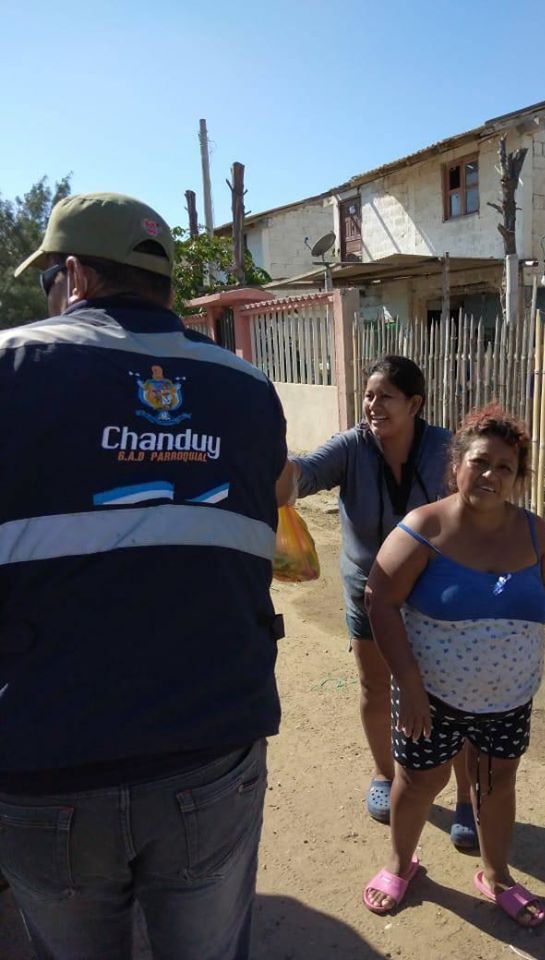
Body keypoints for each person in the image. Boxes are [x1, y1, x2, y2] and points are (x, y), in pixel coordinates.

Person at [0, 192, 294, 960]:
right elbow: (274, 506)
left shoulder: (10, 366)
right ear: (164, 284)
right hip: (210, 748)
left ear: (74, 275)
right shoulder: (249, 387)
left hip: (42, 758)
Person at [362, 404, 545, 925]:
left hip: (508, 700)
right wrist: (408, 684)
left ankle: (497, 876)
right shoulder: (424, 529)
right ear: (457, 464)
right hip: (430, 697)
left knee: (496, 785)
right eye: (480, 462)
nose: (490, 475)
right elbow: (379, 599)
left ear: (518, 478)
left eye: (505, 467)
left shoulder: (535, 535)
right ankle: (400, 864)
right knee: (419, 781)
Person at [292, 356, 476, 846]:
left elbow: (479, 500)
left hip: (437, 597)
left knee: (452, 700)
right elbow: (303, 475)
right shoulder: (352, 447)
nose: (373, 405)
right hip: (369, 593)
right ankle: (384, 774)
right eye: (369, 395)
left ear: (415, 404)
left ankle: (468, 797)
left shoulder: (445, 451)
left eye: (385, 397)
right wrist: (267, 461)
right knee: (375, 686)